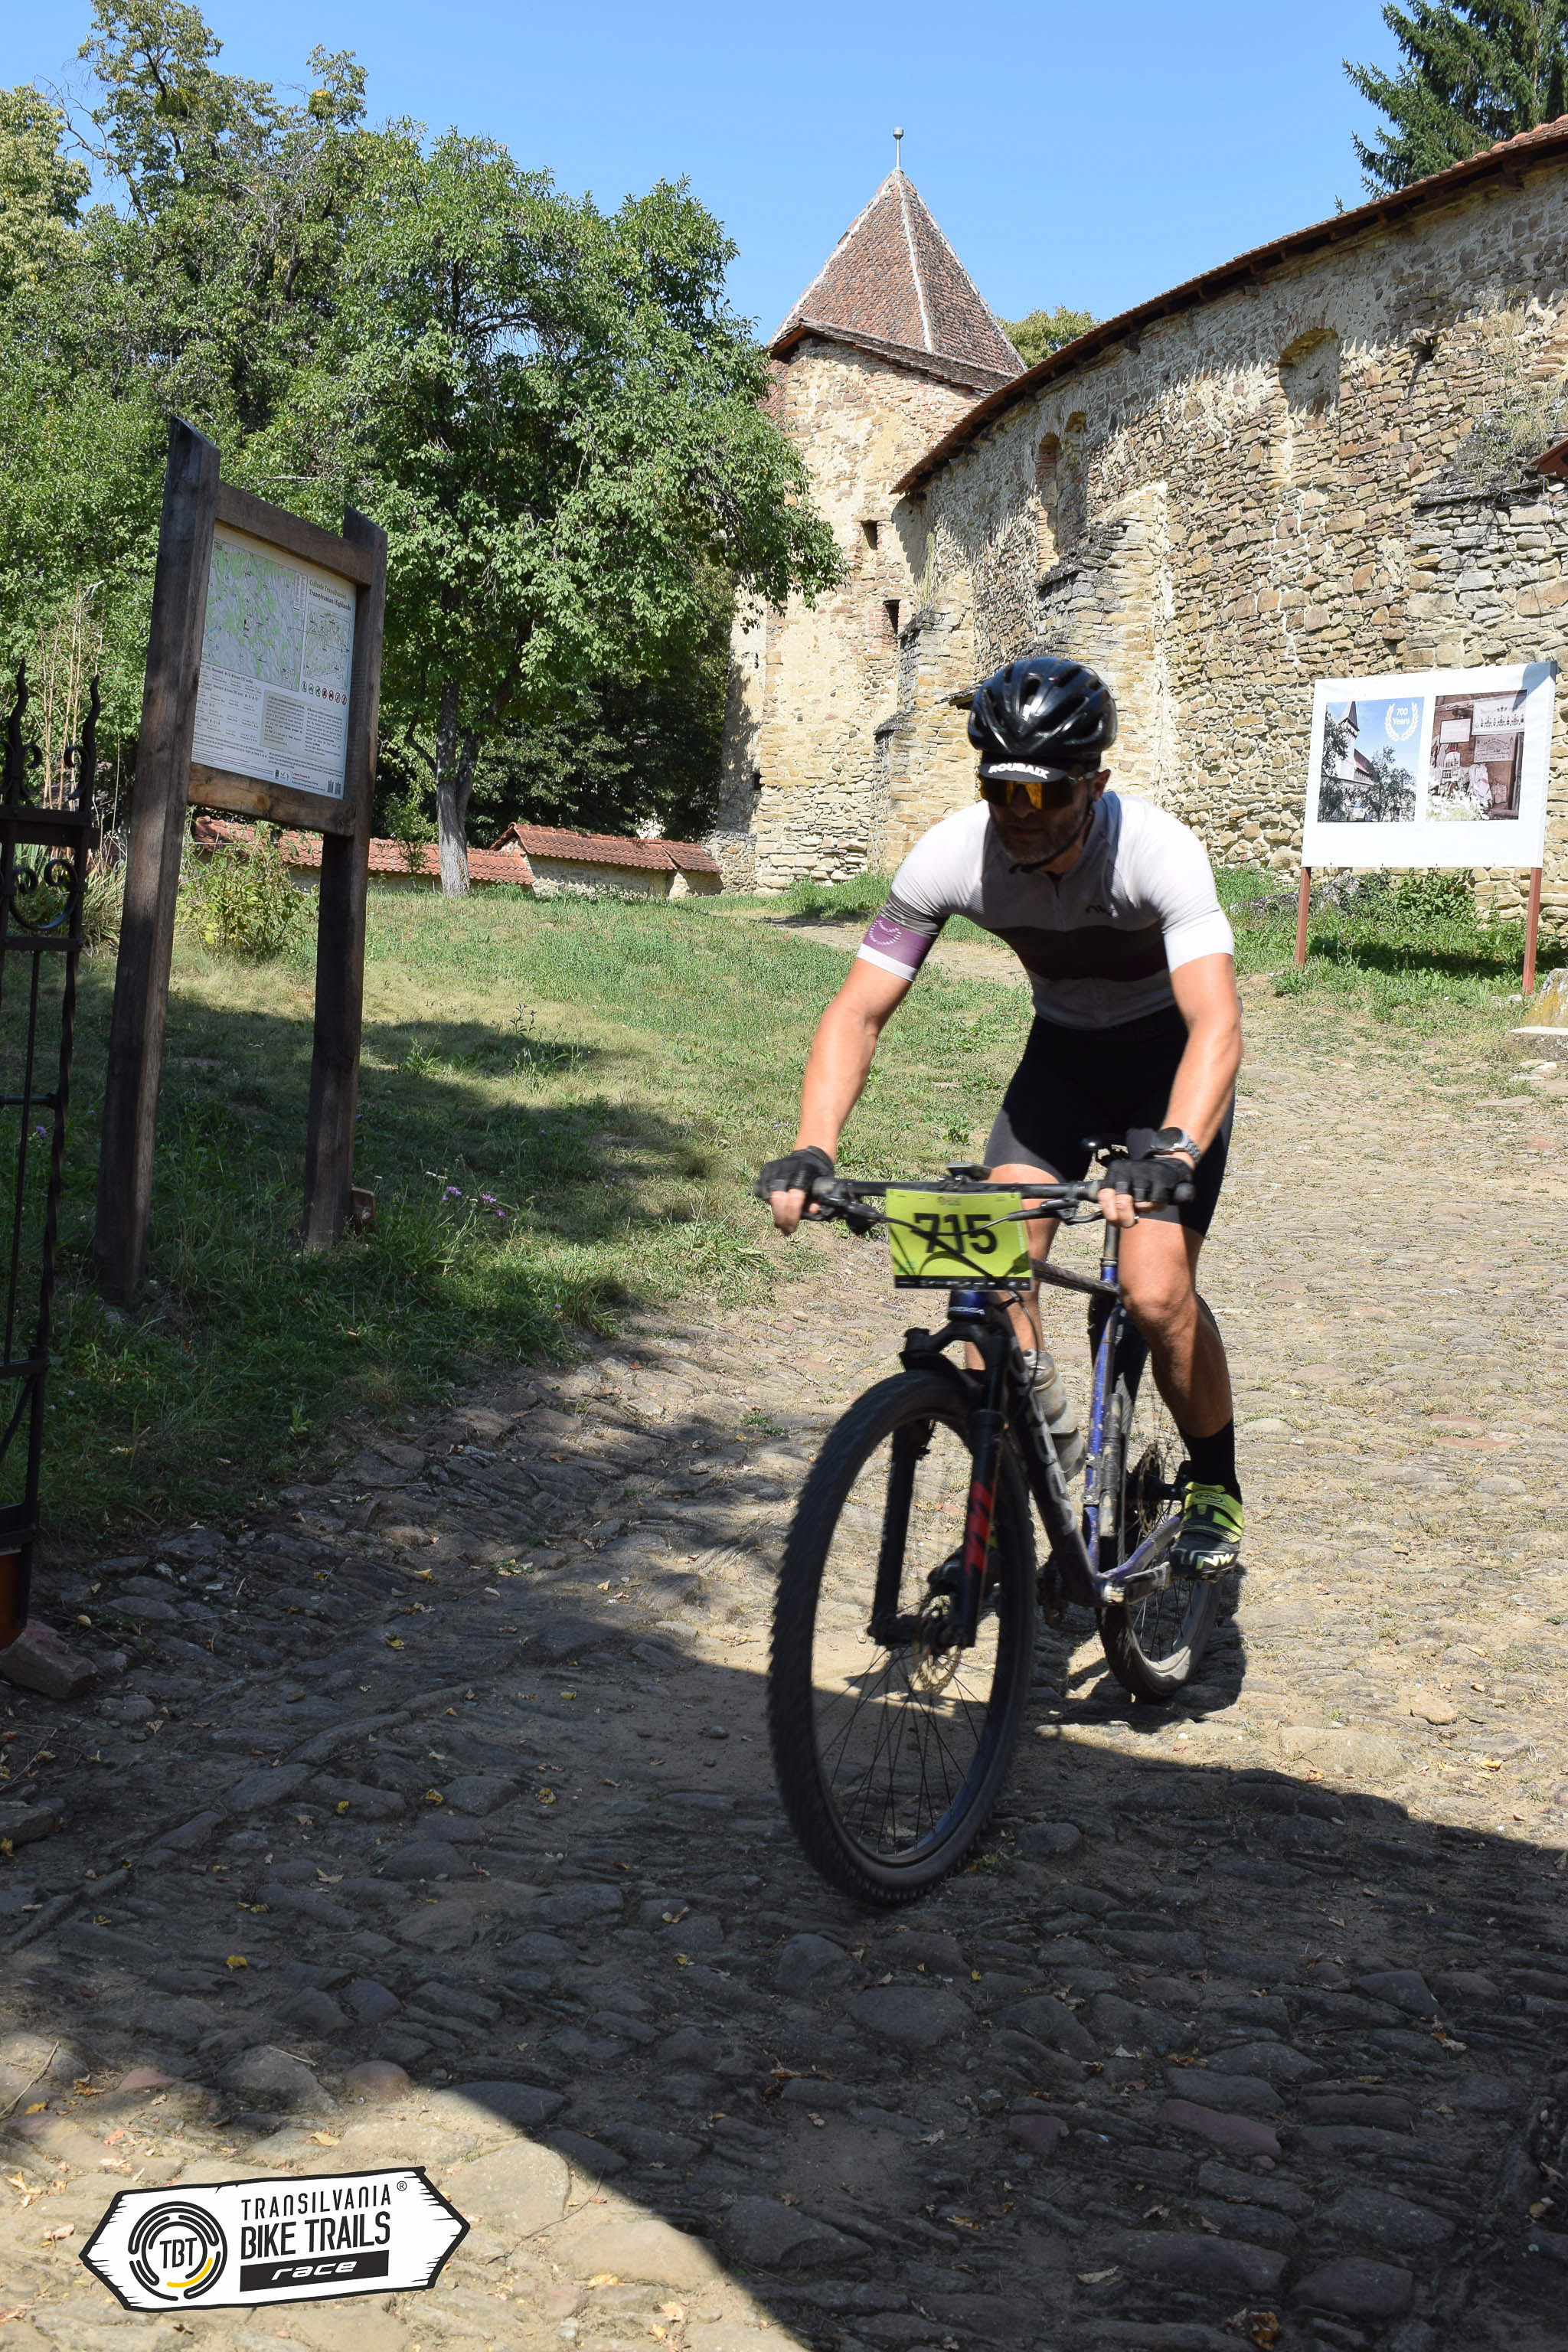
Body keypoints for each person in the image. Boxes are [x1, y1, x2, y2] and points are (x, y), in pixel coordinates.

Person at [758, 653, 1245, 1576]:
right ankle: (1013, 1507)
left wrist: (1177, 1148)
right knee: (984, 1280)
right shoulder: (949, 856)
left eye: (1045, 794)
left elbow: (1215, 1023)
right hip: (1060, 1065)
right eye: (1000, 791)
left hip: (1166, 1072)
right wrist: (812, 1147)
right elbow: (857, 1011)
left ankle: (1214, 1485)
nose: (1021, 816)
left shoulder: (1156, 850)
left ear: (1094, 782)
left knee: (1152, 1293)